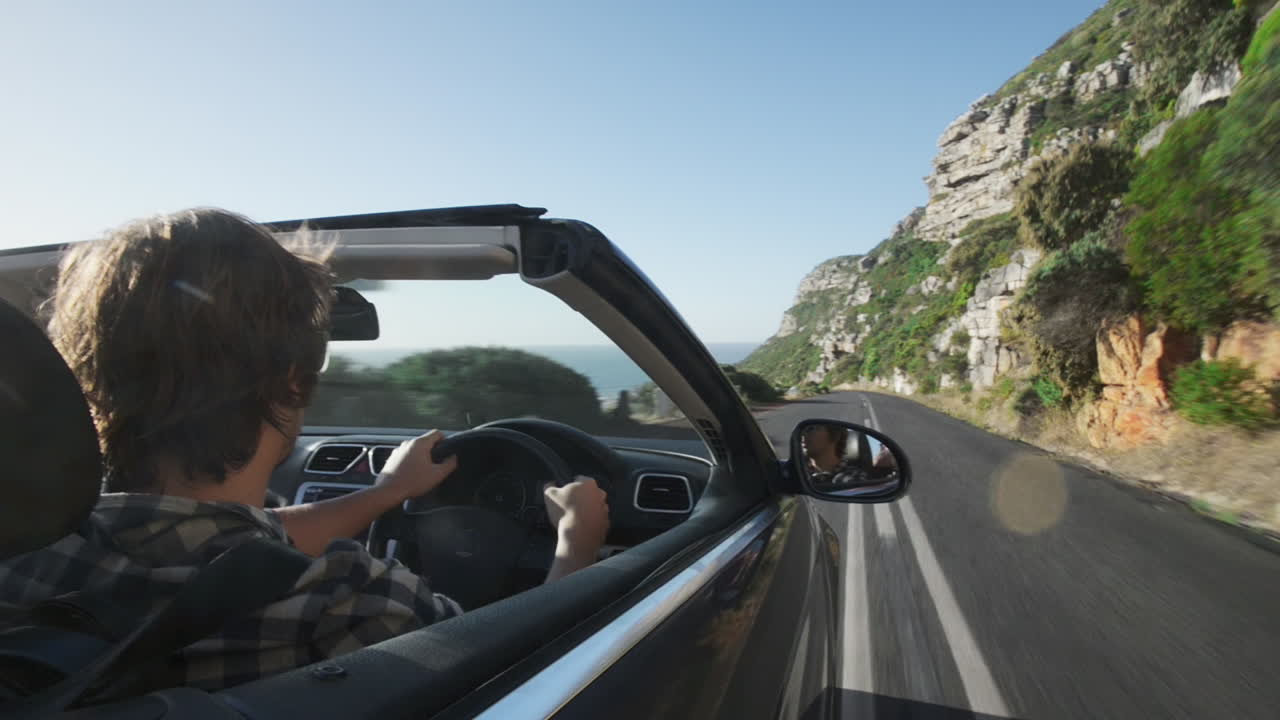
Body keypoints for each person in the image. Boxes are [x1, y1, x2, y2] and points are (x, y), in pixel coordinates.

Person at [0, 208, 610, 691]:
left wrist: (387, 494)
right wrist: (574, 548)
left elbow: (218, 541)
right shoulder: (351, 601)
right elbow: (527, 675)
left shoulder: (30, 550)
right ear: (293, 381)